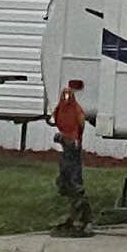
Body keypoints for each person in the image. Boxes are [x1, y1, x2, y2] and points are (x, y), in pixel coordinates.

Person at [50, 78, 96, 234]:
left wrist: (75, 139)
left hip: (74, 140)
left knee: (75, 181)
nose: (67, 97)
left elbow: (80, 126)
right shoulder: (58, 110)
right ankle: (73, 216)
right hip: (66, 141)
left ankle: (83, 218)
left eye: (69, 94)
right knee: (65, 179)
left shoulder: (77, 111)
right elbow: (58, 122)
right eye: (65, 94)